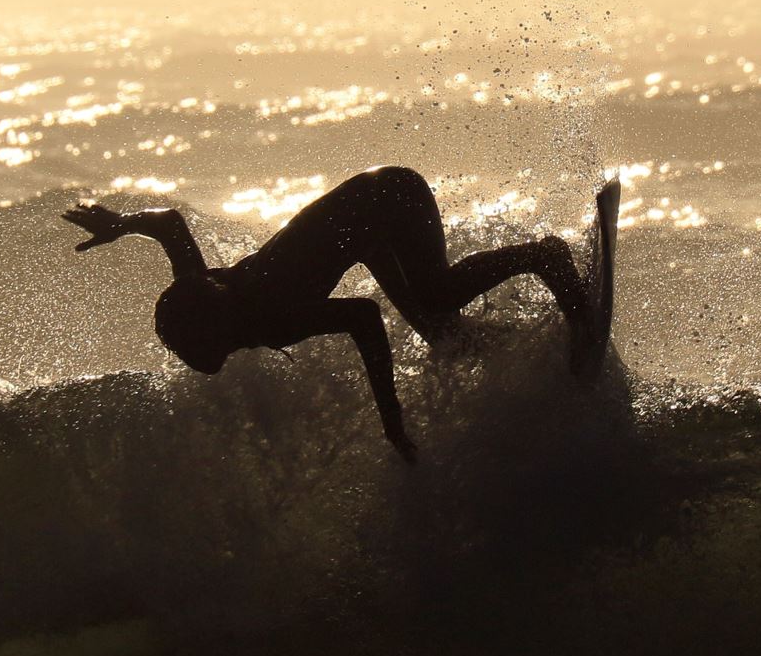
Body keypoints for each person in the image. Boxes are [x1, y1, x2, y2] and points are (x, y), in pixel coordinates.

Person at [63, 165, 599, 461]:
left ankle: (544, 256)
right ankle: (538, 344)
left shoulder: (271, 311)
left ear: (217, 323)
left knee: (434, 300)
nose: (203, 356)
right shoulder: (203, 294)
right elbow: (172, 225)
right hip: (371, 215)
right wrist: (123, 225)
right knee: (445, 336)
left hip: (388, 198)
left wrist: (392, 422)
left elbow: (364, 318)